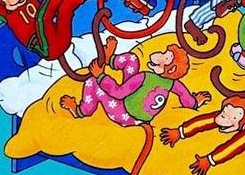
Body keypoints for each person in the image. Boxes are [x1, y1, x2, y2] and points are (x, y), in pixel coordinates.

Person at [63, 42, 210, 127]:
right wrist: (195, 102)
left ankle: (80, 111)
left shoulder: (144, 77)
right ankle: (110, 60)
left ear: (170, 69)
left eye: (165, 57)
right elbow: (185, 95)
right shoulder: (172, 83)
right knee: (132, 59)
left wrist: (101, 76)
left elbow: (118, 93)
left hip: (125, 113)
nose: (160, 54)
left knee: (92, 82)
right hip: (135, 107)